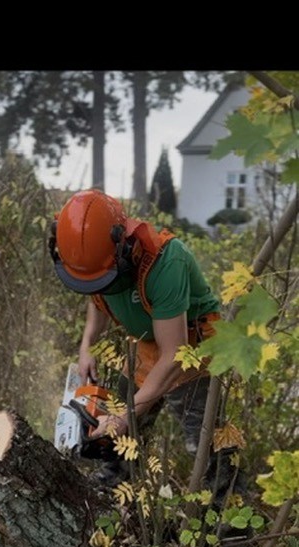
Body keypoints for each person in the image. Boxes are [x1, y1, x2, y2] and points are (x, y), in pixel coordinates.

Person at [49, 189, 246, 517]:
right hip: (148, 342)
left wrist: (127, 414)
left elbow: (174, 354)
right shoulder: (94, 261)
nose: (97, 285)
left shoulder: (167, 261)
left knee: (209, 447)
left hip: (192, 346)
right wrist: (87, 346)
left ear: (122, 246)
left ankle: (229, 534)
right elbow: (96, 294)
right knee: (119, 421)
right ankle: (114, 489)